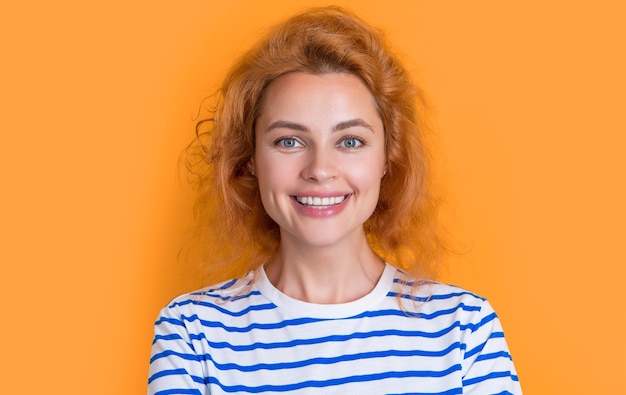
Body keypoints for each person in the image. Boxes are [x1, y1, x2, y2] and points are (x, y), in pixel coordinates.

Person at [148, 6, 522, 395]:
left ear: (386, 159)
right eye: (289, 141)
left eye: (350, 141)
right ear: (251, 159)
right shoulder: (192, 333)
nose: (321, 169)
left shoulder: (465, 330)